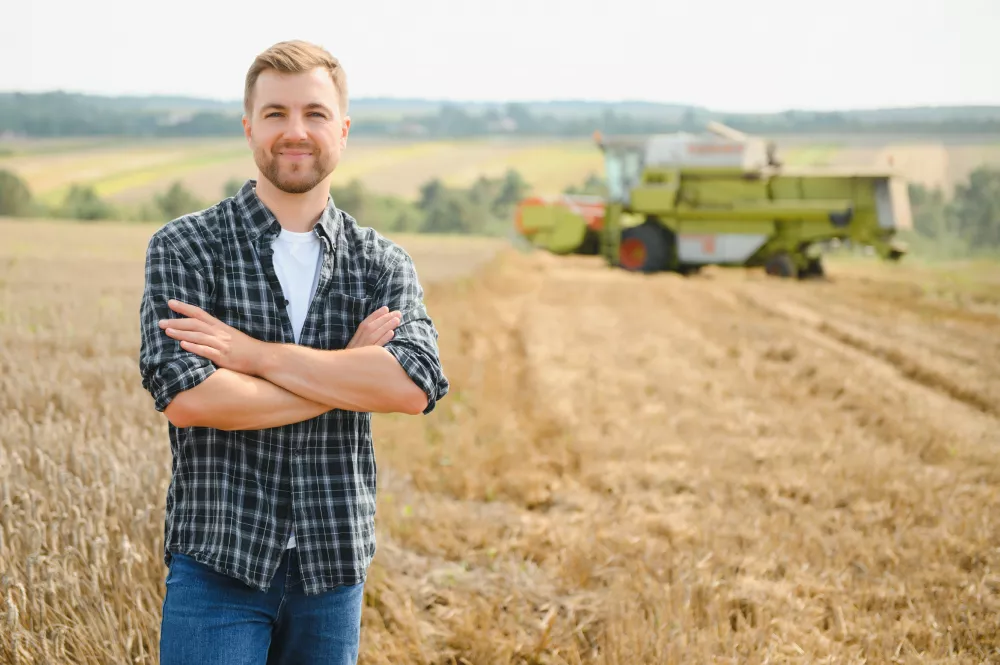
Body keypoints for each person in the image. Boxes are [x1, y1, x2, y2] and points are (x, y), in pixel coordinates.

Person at [138, 39, 449, 665]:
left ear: (343, 128)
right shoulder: (187, 247)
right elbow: (191, 399)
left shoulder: (380, 264)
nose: (295, 131)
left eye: (314, 113)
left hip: (332, 570)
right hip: (218, 565)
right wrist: (345, 376)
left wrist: (251, 355)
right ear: (249, 125)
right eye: (276, 113)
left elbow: (412, 388)